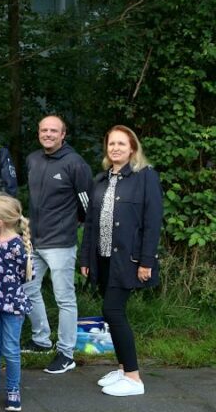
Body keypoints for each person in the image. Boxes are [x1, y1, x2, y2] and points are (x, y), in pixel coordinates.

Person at [80, 125, 163, 397]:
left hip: (128, 259)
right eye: (111, 144)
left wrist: (146, 262)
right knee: (112, 312)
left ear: (133, 148)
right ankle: (122, 367)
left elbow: (152, 223)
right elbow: (91, 222)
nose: (115, 148)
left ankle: (133, 377)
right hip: (103, 259)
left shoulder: (145, 177)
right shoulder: (101, 179)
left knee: (113, 311)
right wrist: (86, 257)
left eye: (121, 144)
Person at [23, 115, 93, 374]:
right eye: (44, 130)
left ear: (63, 135)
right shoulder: (33, 159)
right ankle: (41, 340)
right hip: (34, 239)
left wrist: (71, 225)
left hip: (61, 242)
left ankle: (66, 353)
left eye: (54, 130)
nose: (48, 134)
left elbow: (88, 206)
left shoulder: (75, 163)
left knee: (64, 298)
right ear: (39, 133)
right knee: (27, 288)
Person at [0, 195, 33, 411]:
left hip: (12, 306)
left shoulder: (17, 245)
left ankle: (13, 389)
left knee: (11, 349)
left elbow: (30, 274)